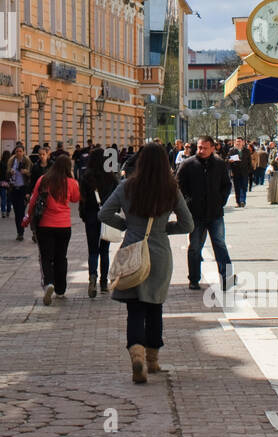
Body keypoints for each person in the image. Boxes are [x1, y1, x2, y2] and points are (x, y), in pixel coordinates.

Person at [99, 142, 194, 383]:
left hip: (133, 251)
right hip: (159, 254)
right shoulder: (171, 189)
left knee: (134, 308)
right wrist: (164, 229)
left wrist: (128, 227)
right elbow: (188, 224)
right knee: (155, 306)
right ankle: (152, 360)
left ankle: (136, 355)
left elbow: (104, 214)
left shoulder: (127, 186)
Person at [23, 153, 80, 305]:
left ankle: (49, 283)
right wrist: (72, 178)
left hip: (45, 226)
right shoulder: (71, 182)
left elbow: (34, 201)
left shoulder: (44, 180)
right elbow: (76, 198)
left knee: (46, 257)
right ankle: (61, 290)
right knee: (61, 257)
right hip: (64, 226)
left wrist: (28, 218)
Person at [178, 135, 233, 291]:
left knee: (220, 245)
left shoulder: (219, 164)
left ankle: (227, 279)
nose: (201, 150)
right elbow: (179, 186)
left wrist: (220, 200)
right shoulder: (188, 164)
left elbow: (226, 185)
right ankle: (194, 279)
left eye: (204, 148)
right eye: (199, 147)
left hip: (215, 213)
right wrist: (188, 202)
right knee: (195, 247)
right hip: (195, 214)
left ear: (212, 148)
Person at [79, 146, 120, 297]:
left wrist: (84, 215)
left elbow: (82, 200)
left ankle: (92, 277)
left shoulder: (86, 177)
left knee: (93, 250)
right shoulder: (110, 177)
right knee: (104, 250)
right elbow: (117, 198)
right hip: (106, 217)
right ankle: (103, 283)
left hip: (91, 216)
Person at [8, 144, 33, 241]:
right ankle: (19, 232)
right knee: (16, 212)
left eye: (20, 151)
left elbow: (32, 174)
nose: (18, 153)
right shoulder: (11, 161)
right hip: (14, 188)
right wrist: (10, 172)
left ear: (24, 152)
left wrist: (26, 172)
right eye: (17, 151)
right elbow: (6, 173)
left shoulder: (27, 161)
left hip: (23, 189)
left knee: (21, 211)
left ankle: (21, 232)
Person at [229, 136, 252, 207]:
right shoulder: (232, 150)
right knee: (237, 187)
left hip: (244, 171)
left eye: (239, 141)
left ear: (243, 142)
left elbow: (249, 162)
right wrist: (230, 161)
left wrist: (249, 171)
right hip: (235, 171)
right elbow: (227, 159)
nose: (238, 143)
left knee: (244, 187)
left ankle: (242, 201)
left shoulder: (247, 151)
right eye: (237, 142)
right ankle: (238, 202)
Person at [0, 149, 12, 218]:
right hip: (9, 182)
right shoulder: (11, 164)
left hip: (2, 182)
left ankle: (3, 211)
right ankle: (8, 211)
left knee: (3, 198)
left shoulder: (0, 163)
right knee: (9, 198)